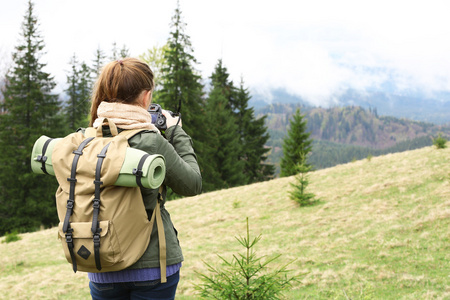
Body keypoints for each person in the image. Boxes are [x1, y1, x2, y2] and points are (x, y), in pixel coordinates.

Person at [85, 57, 202, 300]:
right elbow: (192, 183)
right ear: (146, 97)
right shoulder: (150, 140)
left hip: (101, 266)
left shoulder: (87, 140)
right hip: (153, 269)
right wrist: (174, 130)